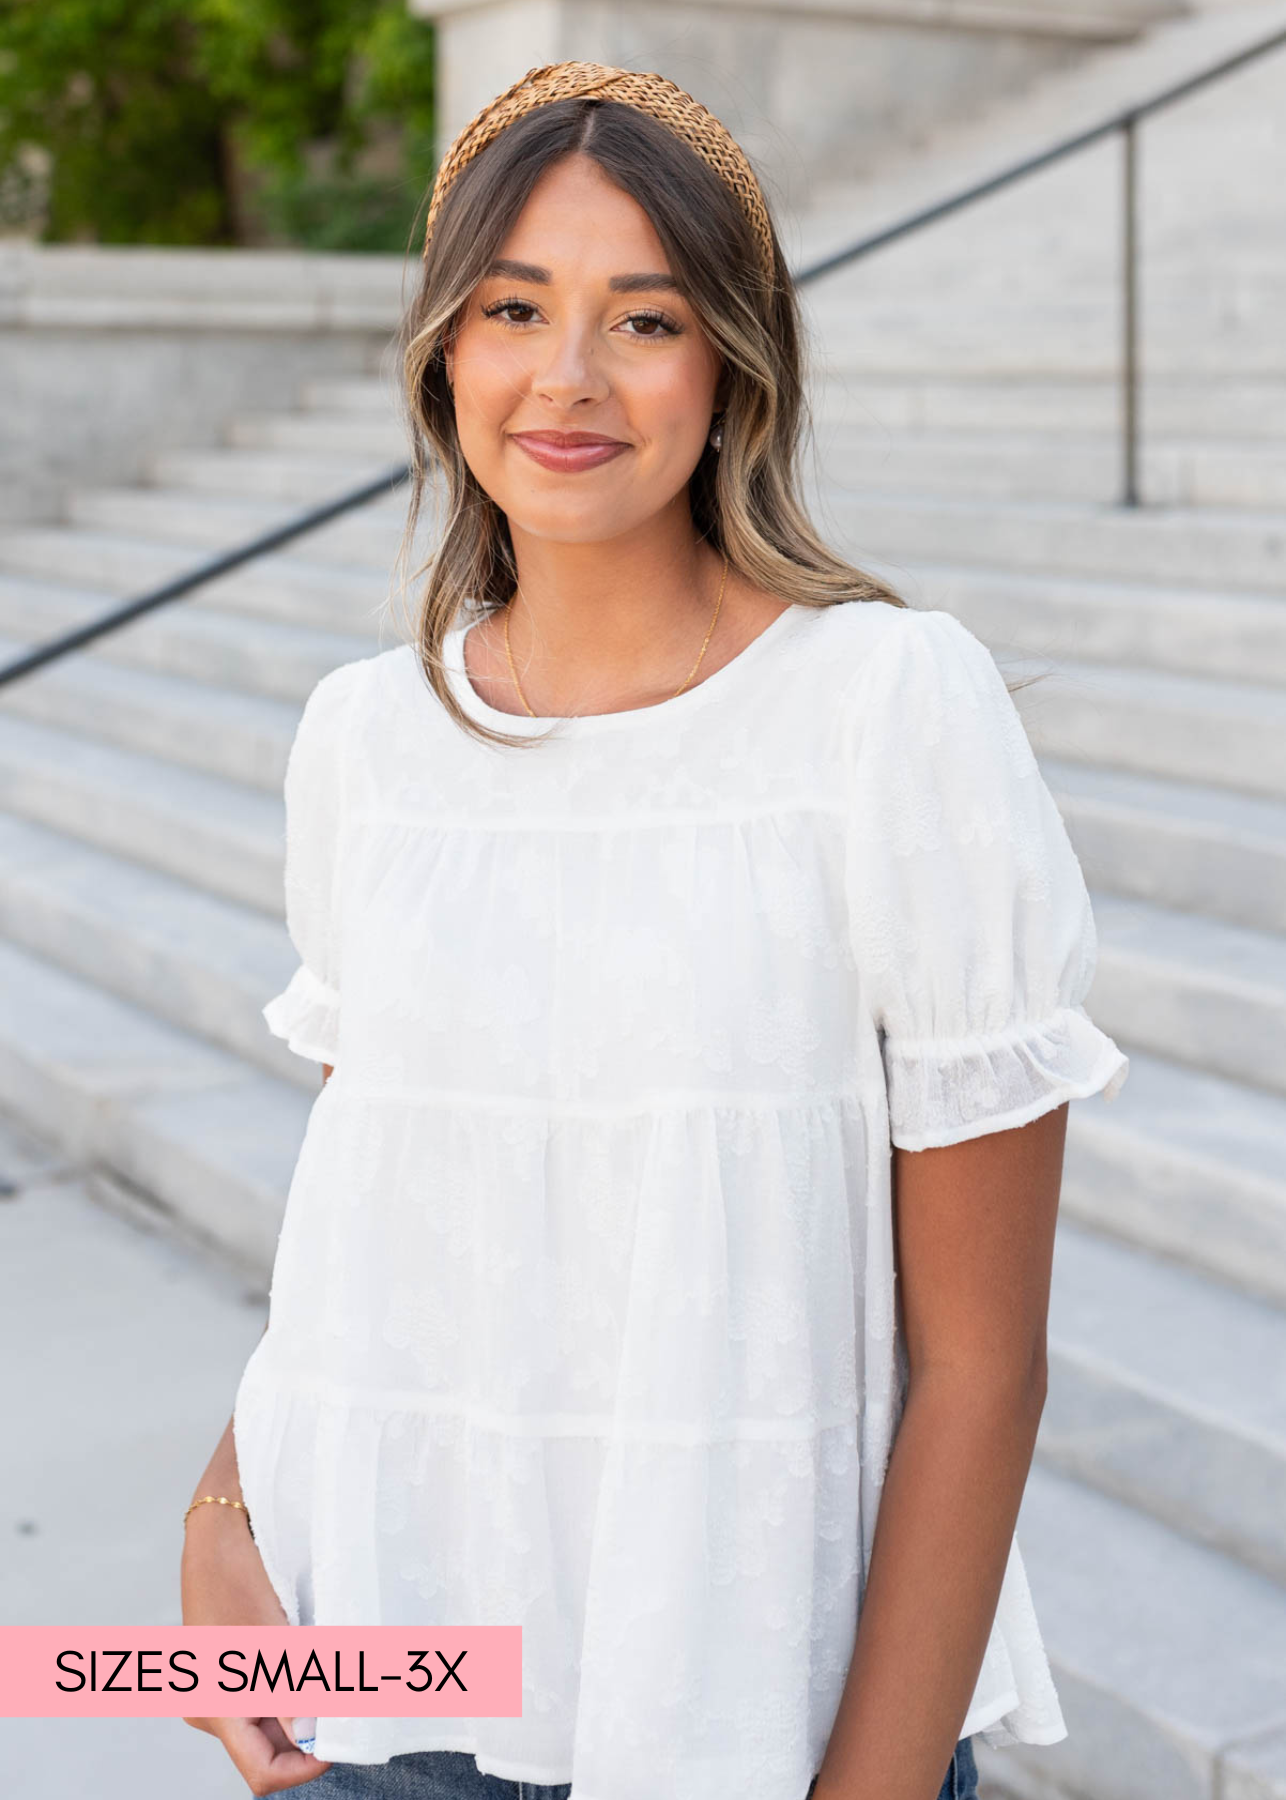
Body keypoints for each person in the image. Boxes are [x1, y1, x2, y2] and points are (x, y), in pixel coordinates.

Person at [180, 60, 1129, 1800]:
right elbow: (375, 1223)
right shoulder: (363, 740)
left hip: (747, 1715)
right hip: (376, 1690)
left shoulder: (884, 711)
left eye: (645, 319)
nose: (567, 375)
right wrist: (218, 1518)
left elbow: (980, 1367)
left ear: (733, 369)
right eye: (513, 307)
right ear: (442, 352)